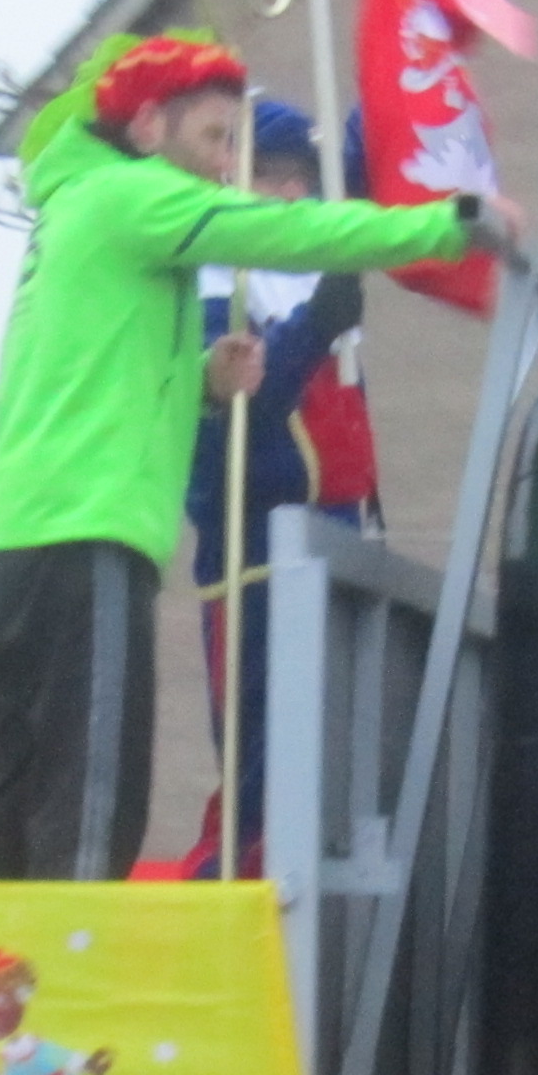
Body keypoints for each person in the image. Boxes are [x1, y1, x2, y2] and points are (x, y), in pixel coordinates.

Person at [0, 35, 514, 883]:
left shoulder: (76, 208)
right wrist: (452, 222)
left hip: (10, 539)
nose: (225, 165)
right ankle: (54, 997)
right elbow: (282, 230)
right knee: (92, 799)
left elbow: (99, 373)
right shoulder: (136, 196)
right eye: (214, 140)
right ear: (145, 127)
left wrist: (205, 382)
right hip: (86, 530)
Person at [177, 102, 382, 878]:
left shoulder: (302, 265)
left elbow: (367, 154)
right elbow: (235, 417)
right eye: (272, 176)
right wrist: (315, 329)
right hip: (256, 554)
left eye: (300, 180)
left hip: (335, 540)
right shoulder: (213, 277)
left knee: (330, 775)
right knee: (266, 780)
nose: (291, 195)